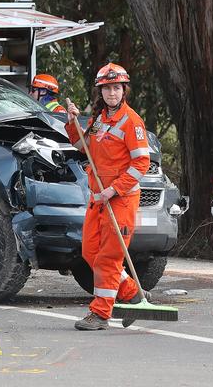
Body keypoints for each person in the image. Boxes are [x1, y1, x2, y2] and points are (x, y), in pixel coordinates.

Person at [64, 62, 151, 330]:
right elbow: (82, 147)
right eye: (107, 89)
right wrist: (73, 122)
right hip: (98, 200)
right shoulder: (99, 119)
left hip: (119, 200)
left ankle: (100, 314)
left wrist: (113, 190)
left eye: (116, 88)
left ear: (124, 90)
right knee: (90, 253)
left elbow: (141, 164)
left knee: (108, 258)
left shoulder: (132, 122)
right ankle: (133, 295)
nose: (112, 93)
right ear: (100, 92)